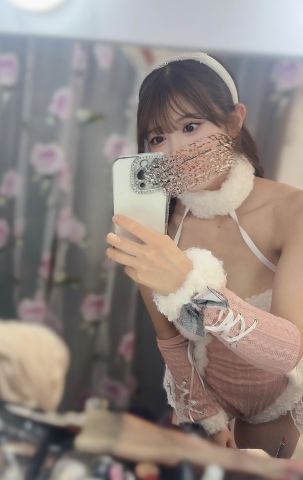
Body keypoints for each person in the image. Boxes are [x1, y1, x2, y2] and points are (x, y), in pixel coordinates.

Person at [106, 52, 303, 457]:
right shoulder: (157, 226)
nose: (175, 150)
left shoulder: (291, 211)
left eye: (190, 126)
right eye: (157, 138)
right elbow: (170, 340)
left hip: (282, 400)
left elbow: (287, 353)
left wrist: (190, 286)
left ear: (233, 121)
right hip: (204, 399)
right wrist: (205, 415)